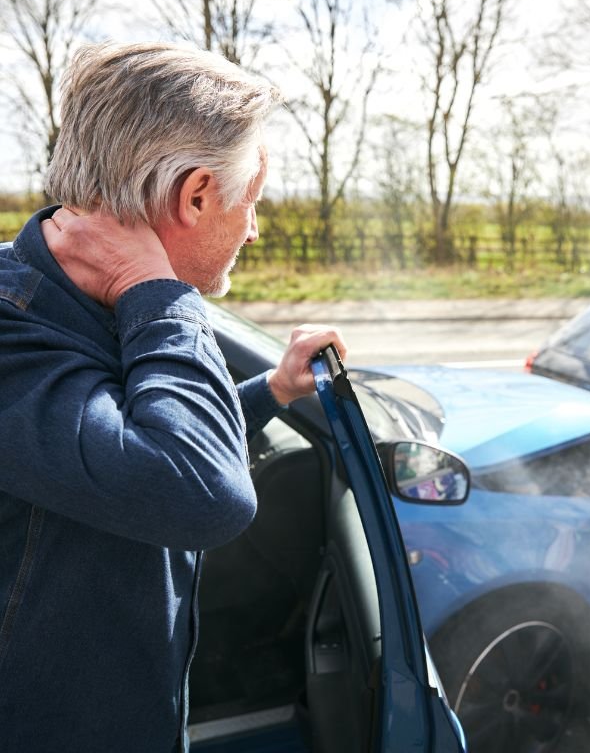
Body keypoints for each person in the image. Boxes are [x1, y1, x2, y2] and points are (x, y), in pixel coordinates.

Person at [0, 42, 346, 753]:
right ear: (194, 195)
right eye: (250, 200)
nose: (254, 228)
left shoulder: (81, 302)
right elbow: (200, 490)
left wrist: (271, 390)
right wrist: (156, 291)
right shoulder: (16, 329)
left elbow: (125, 448)